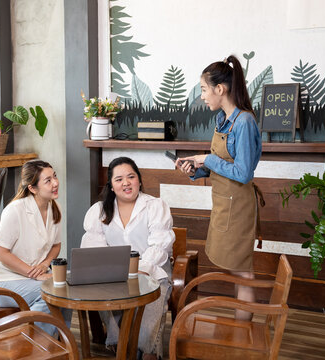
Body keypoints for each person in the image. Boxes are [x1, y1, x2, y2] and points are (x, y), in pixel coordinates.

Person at [176, 55, 262, 320]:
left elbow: (243, 173)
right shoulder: (224, 120)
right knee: (238, 270)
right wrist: (196, 169)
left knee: (243, 272)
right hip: (225, 204)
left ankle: (242, 337)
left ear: (220, 89)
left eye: (203, 89)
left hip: (239, 208)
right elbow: (222, 166)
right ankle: (240, 332)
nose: (202, 96)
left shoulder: (244, 122)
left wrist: (207, 158)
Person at [81, 156, 174, 360]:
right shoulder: (99, 211)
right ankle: (119, 342)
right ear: (111, 186)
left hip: (152, 270)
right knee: (101, 289)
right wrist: (113, 271)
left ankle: (147, 351)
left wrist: (141, 269)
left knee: (152, 298)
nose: (126, 183)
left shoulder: (155, 206)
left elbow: (160, 244)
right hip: (116, 273)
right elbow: (93, 248)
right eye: (119, 179)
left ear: (139, 180)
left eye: (131, 177)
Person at [0, 159, 71, 336]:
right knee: (52, 294)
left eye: (54, 176)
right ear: (32, 188)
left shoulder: (55, 208)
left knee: (65, 289)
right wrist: (32, 272)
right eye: (48, 181)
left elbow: (56, 245)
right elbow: (0, 252)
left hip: (30, 277)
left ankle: (55, 345)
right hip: (2, 280)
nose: (55, 183)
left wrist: (45, 264)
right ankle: (33, 346)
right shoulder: (15, 210)